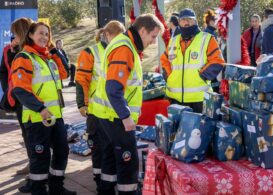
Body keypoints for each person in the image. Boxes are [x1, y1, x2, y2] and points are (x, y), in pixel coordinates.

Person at [92, 15, 164, 195]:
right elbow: (114, 88)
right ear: (142, 31)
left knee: (110, 155)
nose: (153, 42)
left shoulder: (124, 44)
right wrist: (125, 116)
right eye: (153, 36)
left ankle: (105, 190)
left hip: (107, 113)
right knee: (127, 159)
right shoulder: (125, 48)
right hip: (115, 115)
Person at [11, 22, 75, 195]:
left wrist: (54, 52)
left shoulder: (47, 58)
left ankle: (56, 187)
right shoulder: (24, 57)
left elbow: (65, 74)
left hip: (55, 116)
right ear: (30, 35)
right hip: (37, 118)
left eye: (47, 34)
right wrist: (40, 109)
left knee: (62, 151)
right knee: (41, 157)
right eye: (40, 33)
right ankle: (38, 190)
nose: (44, 37)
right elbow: (20, 90)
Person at [160, 8, 225, 113]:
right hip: (174, 98)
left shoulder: (207, 39)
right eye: (183, 20)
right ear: (179, 22)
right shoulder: (173, 41)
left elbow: (218, 61)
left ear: (195, 21)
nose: (186, 22)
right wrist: (169, 75)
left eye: (189, 19)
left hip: (199, 99)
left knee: (198, 129)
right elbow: (164, 59)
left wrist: (201, 76)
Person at [0, 17, 33, 193]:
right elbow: (4, 71)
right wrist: (8, 90)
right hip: (19, 101)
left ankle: (39, 169)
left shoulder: (36, 48)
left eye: (15, 32)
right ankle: (32, 164)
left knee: (37, 135)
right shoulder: (9, 50)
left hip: (36, 101)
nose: (13, 36)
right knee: (26, 133)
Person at [75, 29, 107, 192]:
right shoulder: (91, 52)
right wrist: (82, 104)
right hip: (94, 110)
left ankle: (108, 180)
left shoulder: (120, 50)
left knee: (110, 147)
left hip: (113, 111)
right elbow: (81, 80)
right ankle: (99, 181)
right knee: (98, 147)